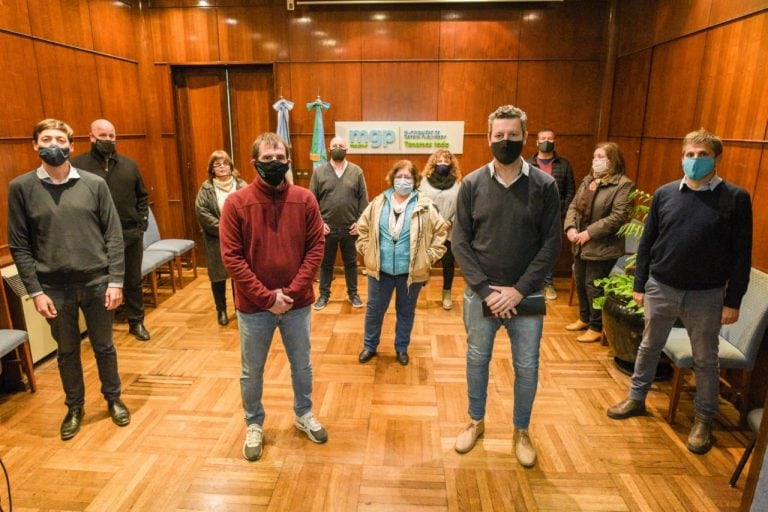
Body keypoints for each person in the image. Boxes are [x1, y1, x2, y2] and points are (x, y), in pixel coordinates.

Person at [607, 128, 752, 455]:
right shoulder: (665, 193)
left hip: (707, 294)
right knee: (648, 346)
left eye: (703, 155)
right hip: (661, 286)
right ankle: (636, 398)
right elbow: (647, 243)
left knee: (705, 359)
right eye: (690, 154)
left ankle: (703, 420)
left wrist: (734, 300)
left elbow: (742, 254)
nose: (695, 160)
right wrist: (639, 283)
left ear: (716, 158)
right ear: (682, 156)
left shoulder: (736, 198)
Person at [8, 118, 131, 440]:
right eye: (46, 138)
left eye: (60, 140)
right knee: (67, 351)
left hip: (97, 282)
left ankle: (113, 398)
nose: (54, 145)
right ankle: (75, 407)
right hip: (53, 287)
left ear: (71, 146)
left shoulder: (94, 184)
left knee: (104, 347)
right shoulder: (21, 188)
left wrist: (116, 280)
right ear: (35, 145)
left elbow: (113, 235)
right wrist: (35, 291)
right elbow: (19, 245)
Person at [452, 105, 561, 468]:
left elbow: (551, 243)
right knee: (477, 360)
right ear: (488, 139)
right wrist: (486, 290)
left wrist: (518, 290)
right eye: (499, 136)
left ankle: (521, 431)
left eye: (513, 135)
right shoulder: (471, 184)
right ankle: (475, 421)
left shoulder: (545, 185)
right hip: (481, 295)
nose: (506, 141)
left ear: (525, 137)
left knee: (527, 366)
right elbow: (460, 242)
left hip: (525, 296)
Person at [219, 132, 327, 462]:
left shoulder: (305, 199)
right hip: (254, 308)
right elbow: (231, 257)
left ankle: (303, 413)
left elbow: (316, 247)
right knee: (252, 370)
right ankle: (254, 424)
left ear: (289, 160)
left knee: (302, 365)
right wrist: (267, 298)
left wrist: (291, 293)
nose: (275, 163)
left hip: (297, 305)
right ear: (254, 163)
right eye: (267, 159)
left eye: (280, 157)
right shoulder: (236, 203)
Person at [356, 160, 448, 366]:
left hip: (411, 273)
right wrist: (366, 250)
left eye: (408, 177)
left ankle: (401, 347)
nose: (403, 181)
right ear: (392, 178)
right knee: (374, 312)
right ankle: (370, 346)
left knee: (406, 312)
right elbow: (362, 228)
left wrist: (429, 256)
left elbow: (441, 232)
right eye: (399, 177)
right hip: (380, 272)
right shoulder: (379, 202)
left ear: (415, 180)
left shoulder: (425, 206)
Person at [71, 119, 151, 341]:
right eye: (103, 135)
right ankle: (102, 328)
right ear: (92, 137)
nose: (107, 140)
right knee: (99, 284)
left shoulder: (129, 165)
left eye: (111, 136)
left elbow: (142, 196)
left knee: (133, 280)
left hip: (129, 235)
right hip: (95, 238)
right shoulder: (77, 166)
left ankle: (136, 322)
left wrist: (141, 224)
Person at [563, 142, 634, 343]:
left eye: (601, 157)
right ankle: (584, 318)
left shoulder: (623, 185)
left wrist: (589, 233)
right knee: (581, 282)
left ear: (613, 160)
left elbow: (619, 216)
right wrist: (571, 228)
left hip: (603, 246)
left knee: (594, 286)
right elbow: (574, 207)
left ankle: (596, 326)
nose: (596, 160)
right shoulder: (589, 180)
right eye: (595, 156)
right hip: (580, 242)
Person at [310, 136, 369, 310]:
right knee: (326, 264)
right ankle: (323, 295)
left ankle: (353, 294)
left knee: (351, 263)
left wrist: (359, 222)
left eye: (340, 146)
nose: (337, 148)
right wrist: (319, 223)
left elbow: (363, 200)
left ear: (347, 149)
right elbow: (311, 201)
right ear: (329, 149)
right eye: (334, 145)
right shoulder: (319, 172)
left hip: (350, 229)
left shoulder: (356, 171)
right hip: (326, 229)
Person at [195, 150, 247, 326]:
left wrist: (236, 230)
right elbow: (202, 212)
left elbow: (250, 210)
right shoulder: (206, 188)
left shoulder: (242, 185)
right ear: (212, 169)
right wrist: (225, 229)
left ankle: (240, 308)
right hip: (215, 240)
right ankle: (221, 310)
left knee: (238, 275)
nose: (222, 167)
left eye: (225, 163)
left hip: (240, 239)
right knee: (217, 277)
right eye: (218, 164)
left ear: (231, 165)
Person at [527, 129, 575, 301]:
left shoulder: (564, 165)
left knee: (549, 249)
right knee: (530, 249)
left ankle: (547, 284)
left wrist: (562, 212)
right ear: (536, 142)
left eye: (550, 138)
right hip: (531, 216)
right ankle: (531, 282)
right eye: (543, 138)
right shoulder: (527, 164)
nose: (546, 141)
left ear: (555, 141)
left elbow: (570, 191)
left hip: (554, 216)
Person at [419, 149, 462, 310]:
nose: (443, 164)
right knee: (423, 260)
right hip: (429, 229)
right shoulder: (423, 182)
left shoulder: (458, 183)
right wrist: (434, 221)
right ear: (433, 163)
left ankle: (447, 294)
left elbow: (461, 208)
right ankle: (420, 282)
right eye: (439, 161)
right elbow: (420, 203)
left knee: (448, 263)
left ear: (451, 164)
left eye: (446, 161)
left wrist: (449, 222)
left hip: (449, 230)